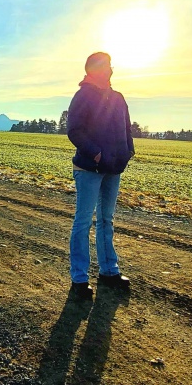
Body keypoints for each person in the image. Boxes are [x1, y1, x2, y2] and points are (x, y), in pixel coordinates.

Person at [66, 52, 133, 300]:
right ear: (93, 69)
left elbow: (127, 128)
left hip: (113, 168)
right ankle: (79, 279)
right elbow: (74, 130)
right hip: (88, 169)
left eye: (110, 65)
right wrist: (95, 153)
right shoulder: (83, 95)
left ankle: (109, 271)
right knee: (83, 222)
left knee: (106, 219)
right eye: (105, 66)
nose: (110, 69)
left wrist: (129, 151)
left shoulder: (118, 98)